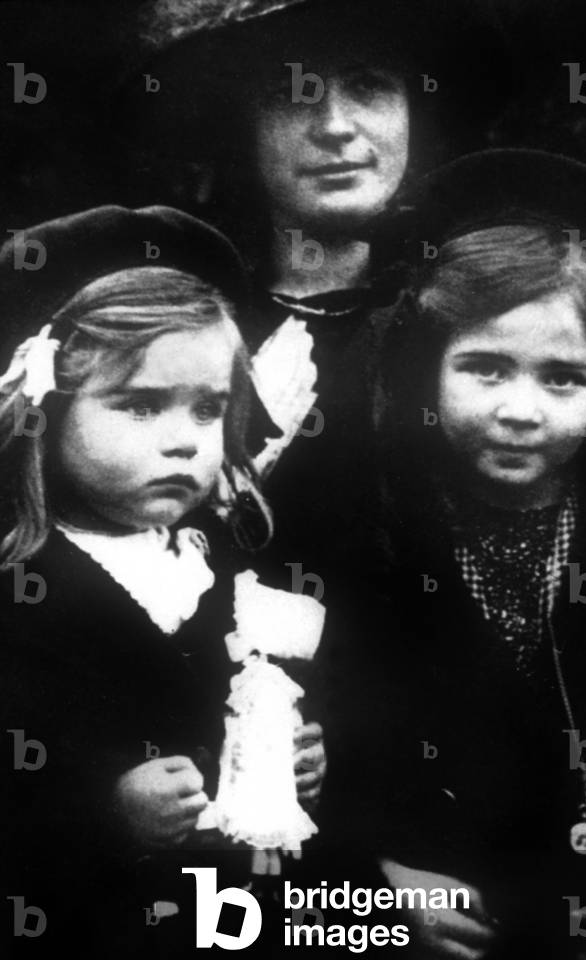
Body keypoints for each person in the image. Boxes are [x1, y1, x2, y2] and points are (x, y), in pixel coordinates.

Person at [324, 151, 586, 960]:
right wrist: (366, 901)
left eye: (563, 378)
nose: (522, 408)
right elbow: (285, 770)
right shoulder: (353, 538)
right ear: (427, 372)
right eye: (484, 367)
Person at [0, 206, 327, 960]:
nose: (184, 441)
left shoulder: (216, 567)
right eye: (141, 407)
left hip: (235, 945)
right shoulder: (23, 584)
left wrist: (287, 761)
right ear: (46, 413)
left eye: (207, 410)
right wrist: (104, 811)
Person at [113, 0, 505, 587]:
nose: (335, 125)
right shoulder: (180, 333)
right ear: (243, 132)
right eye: (292, 94)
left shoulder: (470, 328)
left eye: (368, 87)